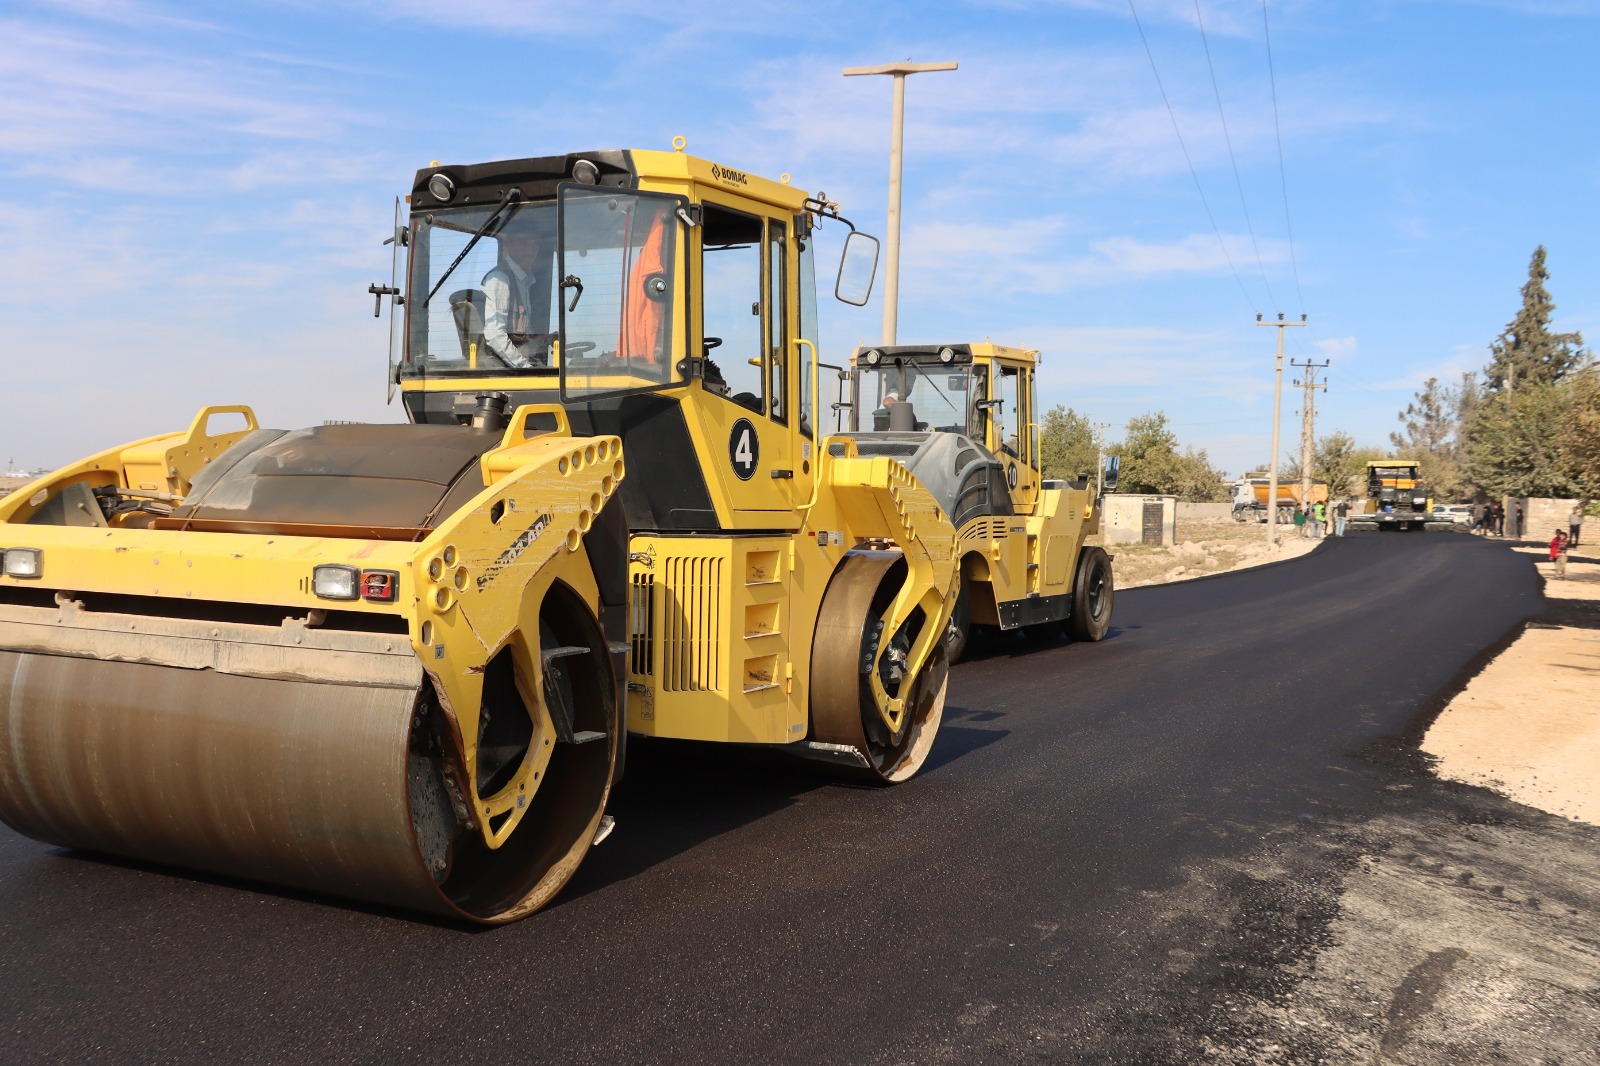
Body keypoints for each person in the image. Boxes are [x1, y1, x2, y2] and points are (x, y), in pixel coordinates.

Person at [481, 219, 553, 369]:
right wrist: (524, 368)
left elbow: (524, 337)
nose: (530, 250)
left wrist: (546, 340)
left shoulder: (525, 281)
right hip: (505, 369)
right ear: (509, 245)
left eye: (535, 244)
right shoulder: (500, 279)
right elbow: (495, 335)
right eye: (524, 243)